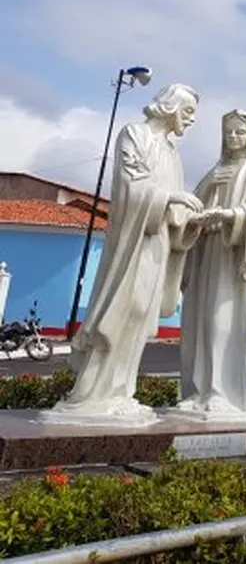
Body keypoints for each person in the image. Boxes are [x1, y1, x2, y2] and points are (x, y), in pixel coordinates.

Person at [47, 84, 203, 425]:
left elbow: (174, 216)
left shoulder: (173, 153)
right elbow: (131, 187)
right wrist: (172, 198)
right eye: (188, 112)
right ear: (171, 107)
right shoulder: (135, 135)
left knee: (140, 315)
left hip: (158, 243)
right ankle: (90, 394)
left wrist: (191, 221)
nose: (190, 121)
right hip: (134, 242)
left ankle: (120, 392)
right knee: (123, 310)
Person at [176, 109, 246, 421]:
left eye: (239, 133)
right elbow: (192, 203)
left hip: (231, 252)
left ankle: (220, 391)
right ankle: (196, 392)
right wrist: (205, 192)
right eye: (228, 133)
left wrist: (231, 215)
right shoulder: (217, 168)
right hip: (206, 248)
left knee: (221, 320)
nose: (233, 138)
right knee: (199, 319)